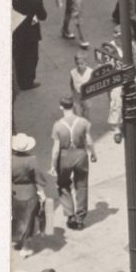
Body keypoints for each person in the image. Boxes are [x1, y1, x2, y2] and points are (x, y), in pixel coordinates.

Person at [51, 95, 95, 230]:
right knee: (81, 185)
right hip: (81, 155)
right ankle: (80, 218)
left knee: (63, 184)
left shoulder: (58, 126)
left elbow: (56, 149)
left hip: (64, 157)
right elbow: (89, 141)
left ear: (61, 107)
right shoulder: (83, 122)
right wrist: (93, 154)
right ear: (73, 106)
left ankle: (70, 214)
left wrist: (53, 165)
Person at [13, 0, 46, 90]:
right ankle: (26, 83)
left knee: (17, 57)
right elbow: (43, 16)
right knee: (31, 58)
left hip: (15, 31)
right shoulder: (36, 0)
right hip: (31, 34)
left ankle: (15, 81)